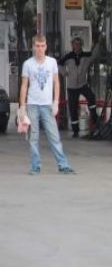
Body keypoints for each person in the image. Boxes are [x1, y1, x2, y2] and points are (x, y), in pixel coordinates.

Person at [19, 34, 75, 175]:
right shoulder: (28, 64)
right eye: (37, 46)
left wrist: (56, 102)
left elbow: (57, 82)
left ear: (46, 46)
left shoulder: (52, 63)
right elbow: (24, 86)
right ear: (33, 47)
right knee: (34, 137)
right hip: (32, 104)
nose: (40, 49)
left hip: (47, 105)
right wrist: (22, 106)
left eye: (42, 46)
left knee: (54, 136)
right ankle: (35, 166)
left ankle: (63, 165)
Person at [58, 36, 101, 138]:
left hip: (82, 84)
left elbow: (94, 55)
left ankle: (94, 116)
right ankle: (75, 131)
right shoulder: (68, 56)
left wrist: (99, 43)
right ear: (72, 45)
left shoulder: (86, 55)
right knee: (73, 108)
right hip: (72, 86)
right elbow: (59, 64)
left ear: (81, 45)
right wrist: (64, 73)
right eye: (75, 44)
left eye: (79, 44)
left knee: (91, 97)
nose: (77, 46)